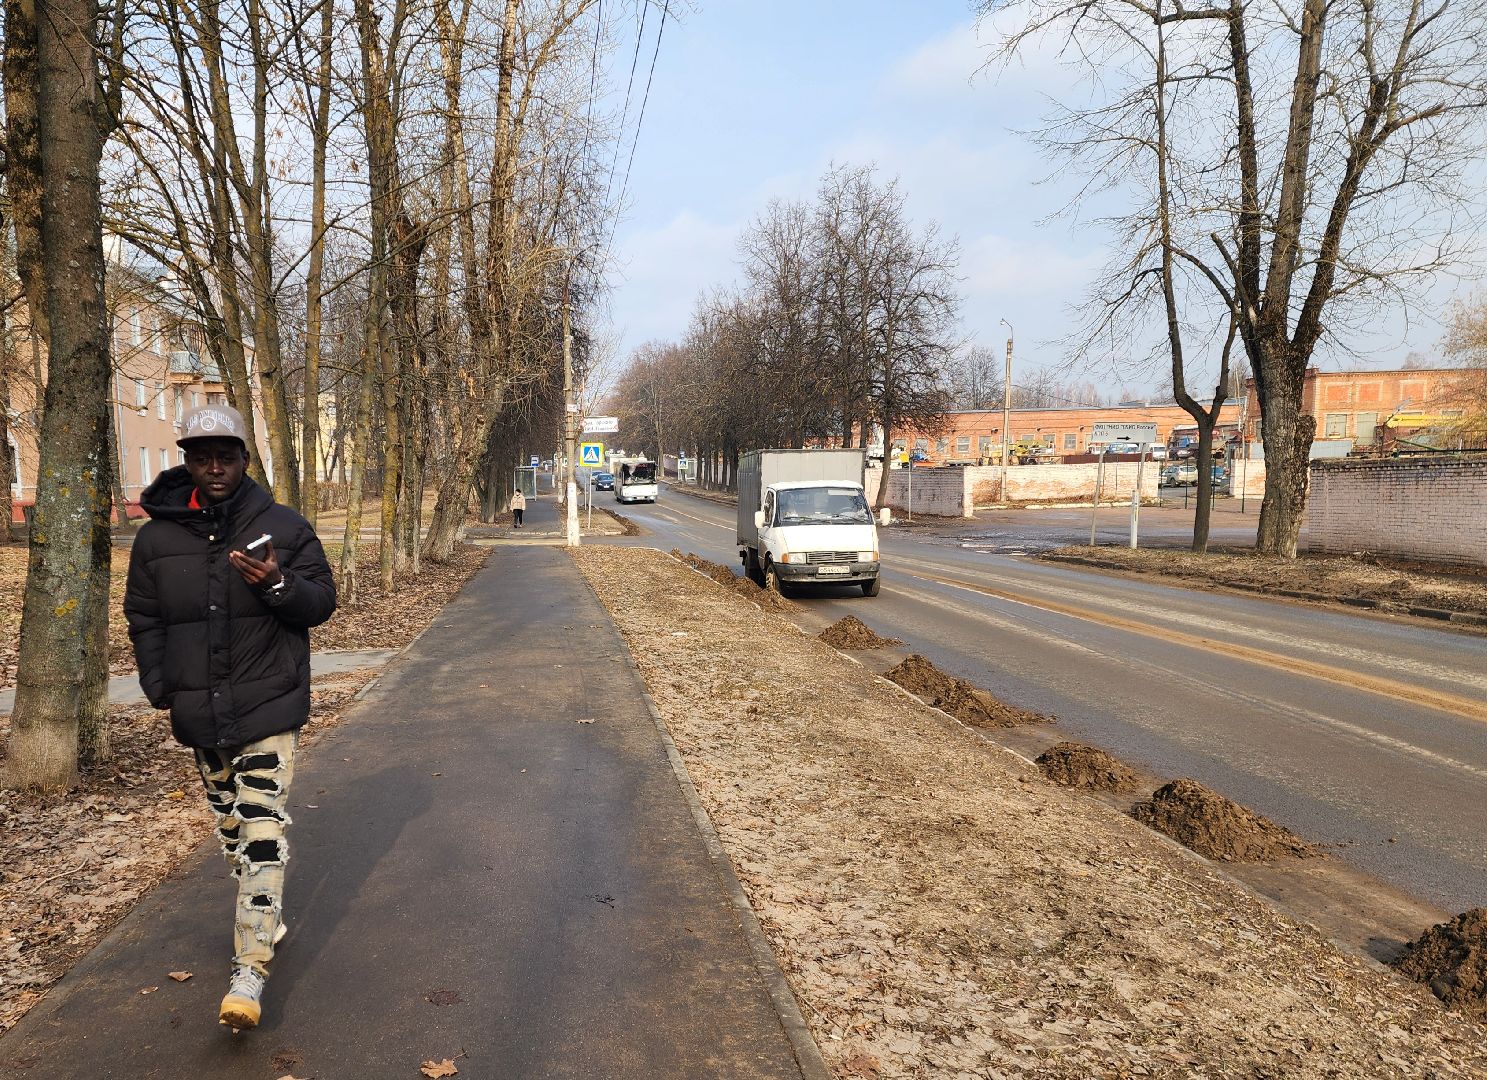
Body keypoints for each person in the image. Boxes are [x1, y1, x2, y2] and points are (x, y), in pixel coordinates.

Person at [123, 404, 337, 1031]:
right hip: (198, 709)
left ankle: (250, 967)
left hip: (268, 702)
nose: (214, 467)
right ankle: (265, 911)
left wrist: (277, 584)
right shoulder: (157, 538)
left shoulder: (284, 526)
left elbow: (321, 602)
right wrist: (160, 685)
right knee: (232, 833)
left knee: (263, 827)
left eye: (227, 455)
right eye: (201, 455)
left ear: (246, 459)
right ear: (186, 460)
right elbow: (145, 617)